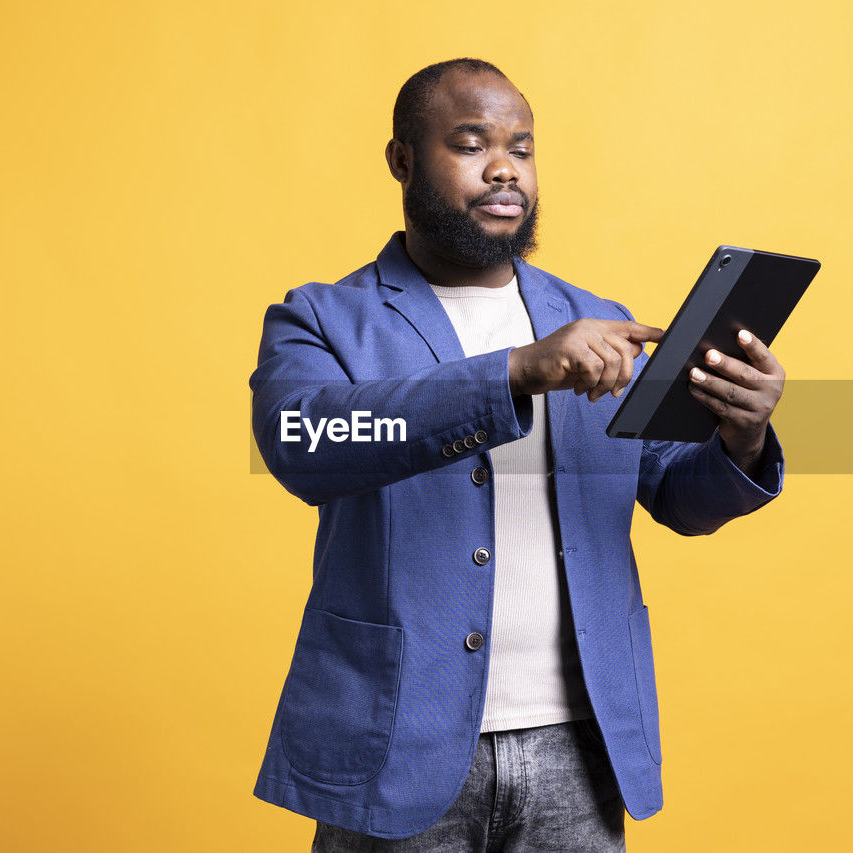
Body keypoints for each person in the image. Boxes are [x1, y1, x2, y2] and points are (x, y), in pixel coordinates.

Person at [249, 58, 787, 851]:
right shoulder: (323, 318)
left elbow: (677, 493)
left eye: (523, 149)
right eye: (471, 144)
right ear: (402, 160)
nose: (505, 168)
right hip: (398, 743)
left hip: (581, 742)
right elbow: (305, 440)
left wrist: (741, 432)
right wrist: (515, 371)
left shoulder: (596, 320)